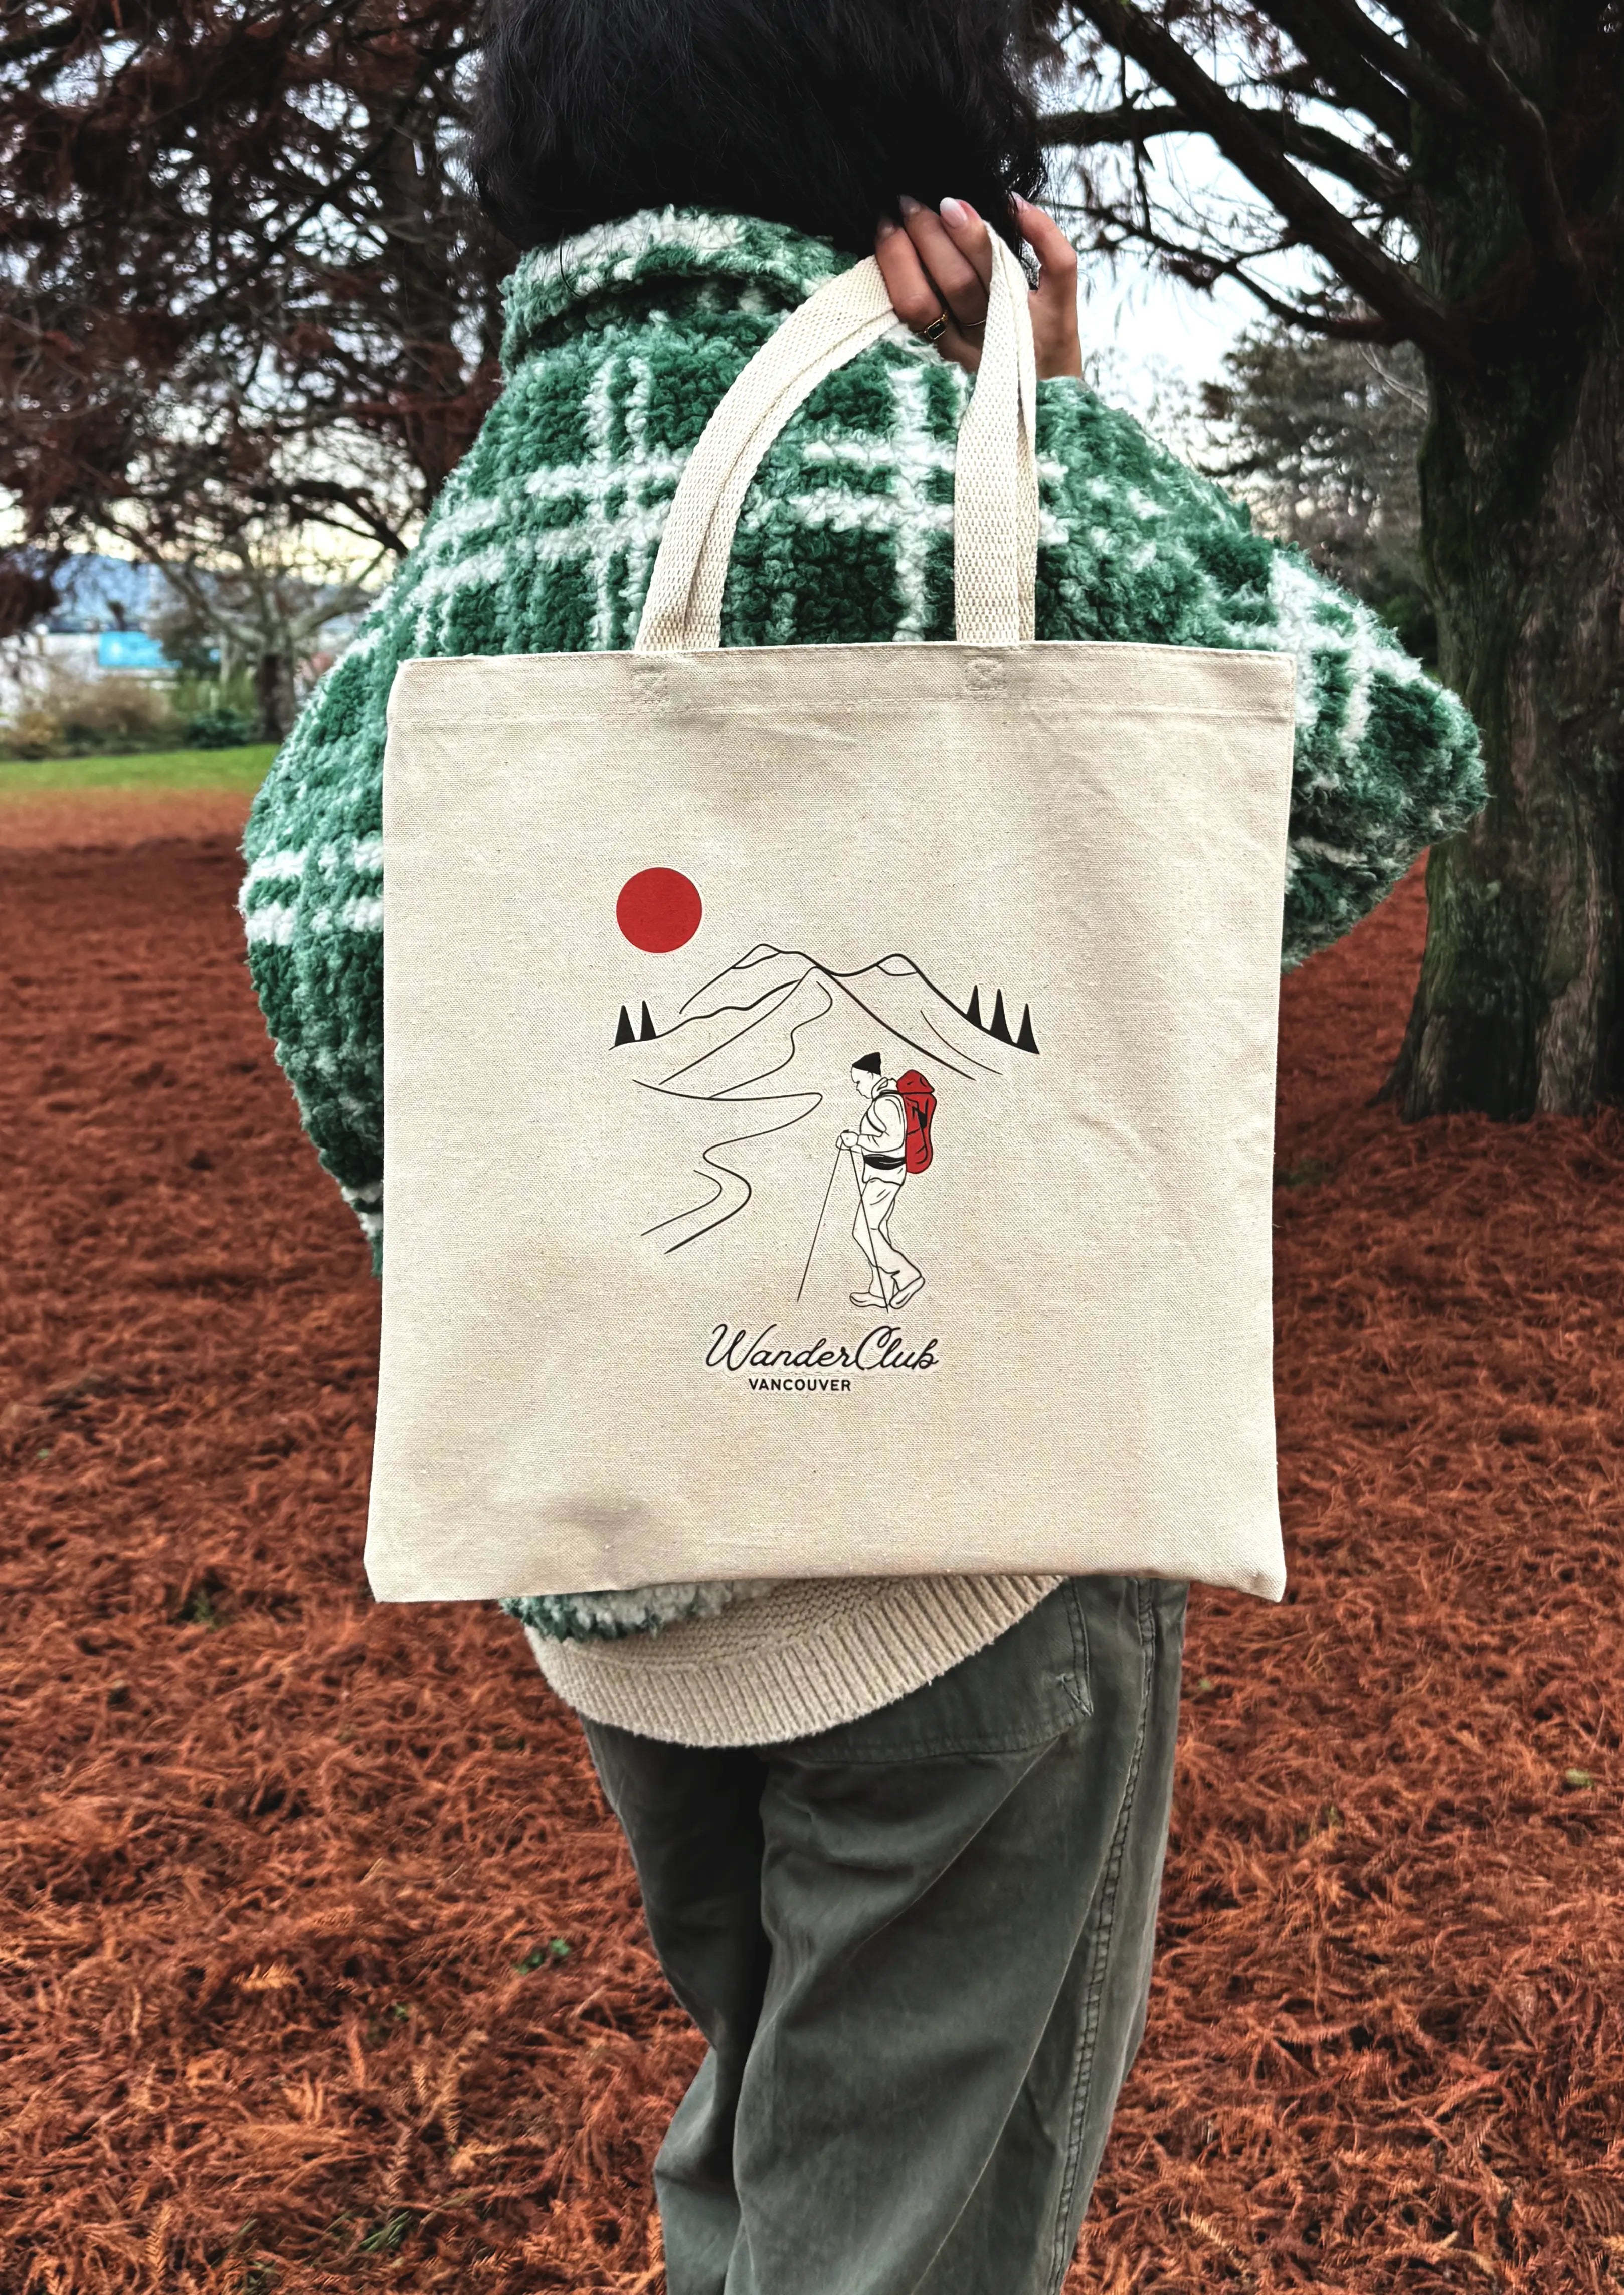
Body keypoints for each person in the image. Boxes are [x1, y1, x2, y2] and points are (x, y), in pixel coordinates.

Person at [240, 3, 1485, 2287]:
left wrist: (551, 1249)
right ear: (920, 153)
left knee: (774, 2121)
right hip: (969, 1543)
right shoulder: (945, 450)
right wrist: (1064, 425)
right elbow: (1361, 759)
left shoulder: (467, 533)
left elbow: (314, 945)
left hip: (616, 1551)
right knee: (904, 2219)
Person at [839, 1052, 923, 1310]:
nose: (857, 1088)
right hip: (883, 1173)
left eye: (859, 1082)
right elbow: (882, 1142)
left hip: (884, 1177)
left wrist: (858, 1140)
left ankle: (907, 1276)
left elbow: (894, 1142)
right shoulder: (885, 1101)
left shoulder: (886, 1104)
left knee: (863, 1231)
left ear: (872, 1076)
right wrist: (856, 1145)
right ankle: (882, 1290)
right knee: (879, 1231)